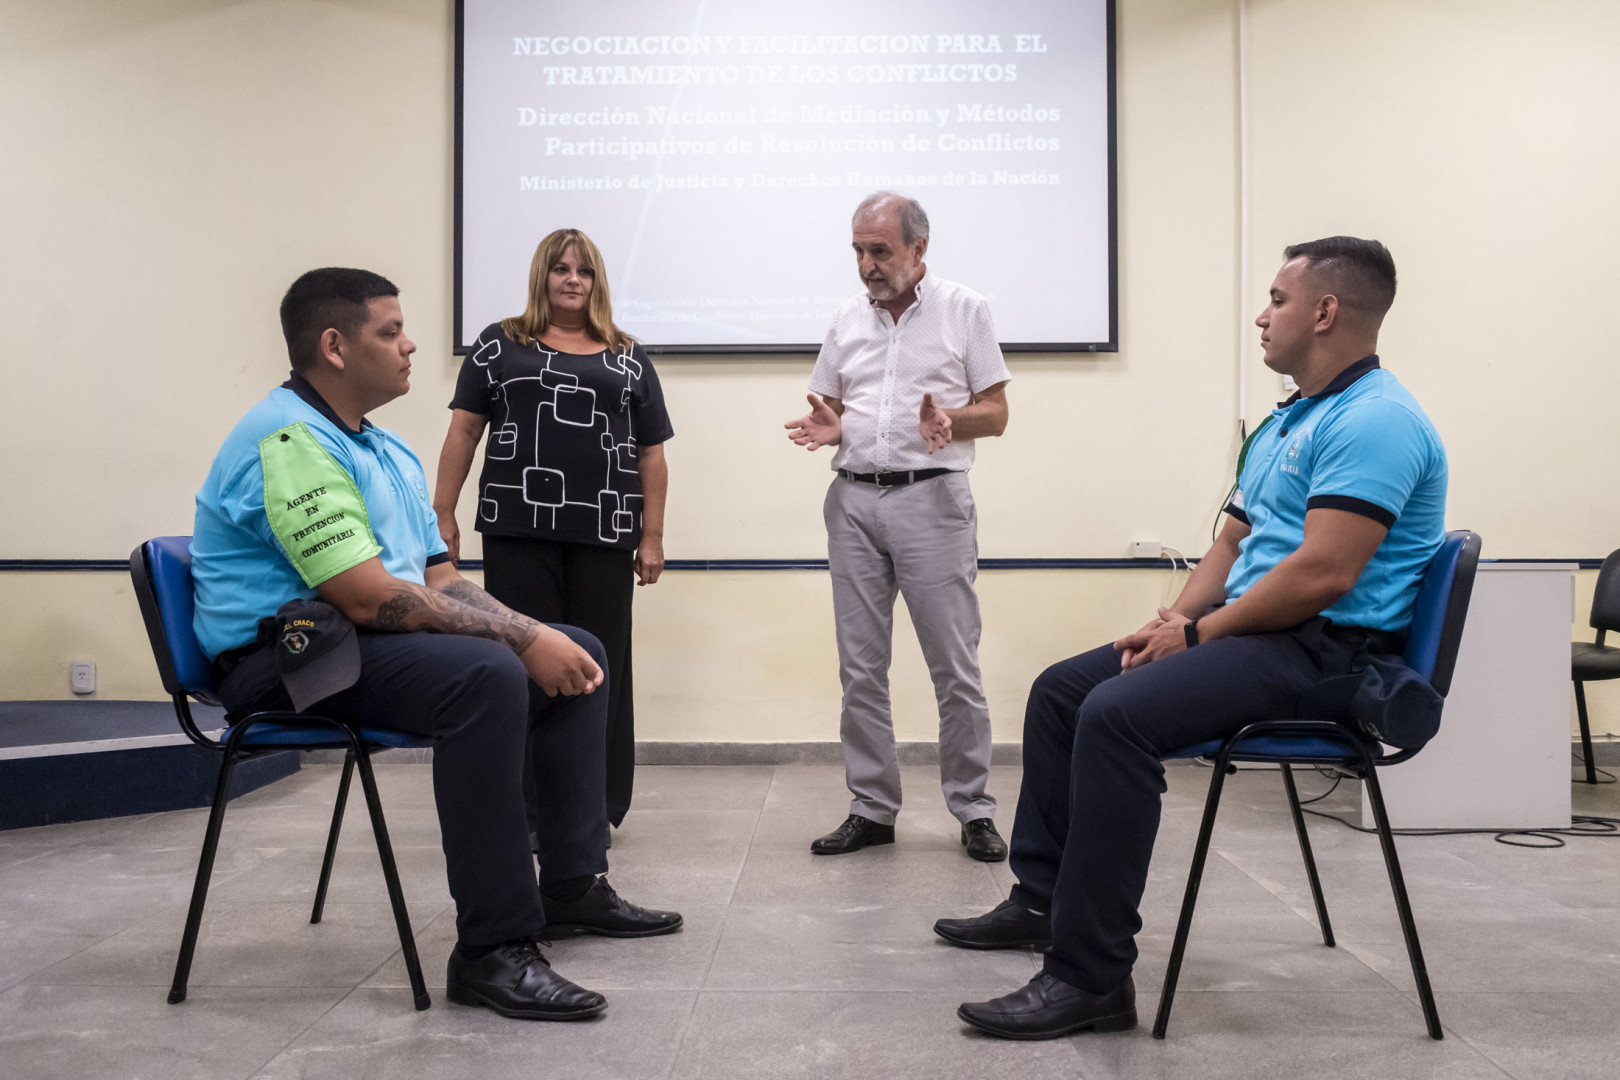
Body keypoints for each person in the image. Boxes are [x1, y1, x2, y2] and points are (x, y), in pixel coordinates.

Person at [935, 237, 1448, 1039]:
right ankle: (1041, 902)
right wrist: (1176, 622)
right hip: (1262, 635)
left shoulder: (1377, 421)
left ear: (1325, 311)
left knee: (1116, 714)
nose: (1261, 314)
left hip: (1326, 654)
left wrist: (1203, 632)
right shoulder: (1291, 422)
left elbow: (1322, 575)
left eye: (1277, 299)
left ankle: (1091, 977)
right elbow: (1232, 546)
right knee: (1063, 691)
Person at [190, 267, 682, 1022]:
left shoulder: (382, 448)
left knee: (577, 647)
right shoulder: (290, 441)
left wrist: (538, 636)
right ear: (335, 346)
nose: (410, 343)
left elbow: (441, 580)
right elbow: (366, 597)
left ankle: (572, 888)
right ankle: (492, 950)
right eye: (390, 331)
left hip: (346, 643)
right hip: (283, 660)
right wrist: (517, 638)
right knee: (485, 673)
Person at [784, 192, 1012, 861]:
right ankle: (873, 808)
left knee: (955, 667)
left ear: (918, 248)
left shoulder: (965, 308)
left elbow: (995, 412)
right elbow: (830, 406)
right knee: (860, 668)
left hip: (932, 502)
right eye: (858, 250)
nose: (866, 264)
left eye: (879, 250)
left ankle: (972, 808)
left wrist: (952, 421)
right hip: (853, 501)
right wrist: (832, 426)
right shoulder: (846, 318)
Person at [434, 229, 673, 836]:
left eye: (584, 271)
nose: (573, 280)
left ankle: (596, 806)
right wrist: (443, 511)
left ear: (597, 281)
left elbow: (652, 454)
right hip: (518, 528)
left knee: (599, 669)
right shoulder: (499, 344)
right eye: (561, 269)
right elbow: (464, 433)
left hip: (606, 534)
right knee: (525, 661)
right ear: (542, 276)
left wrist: (653, 535)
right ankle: (531, 809)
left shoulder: (627, 355)